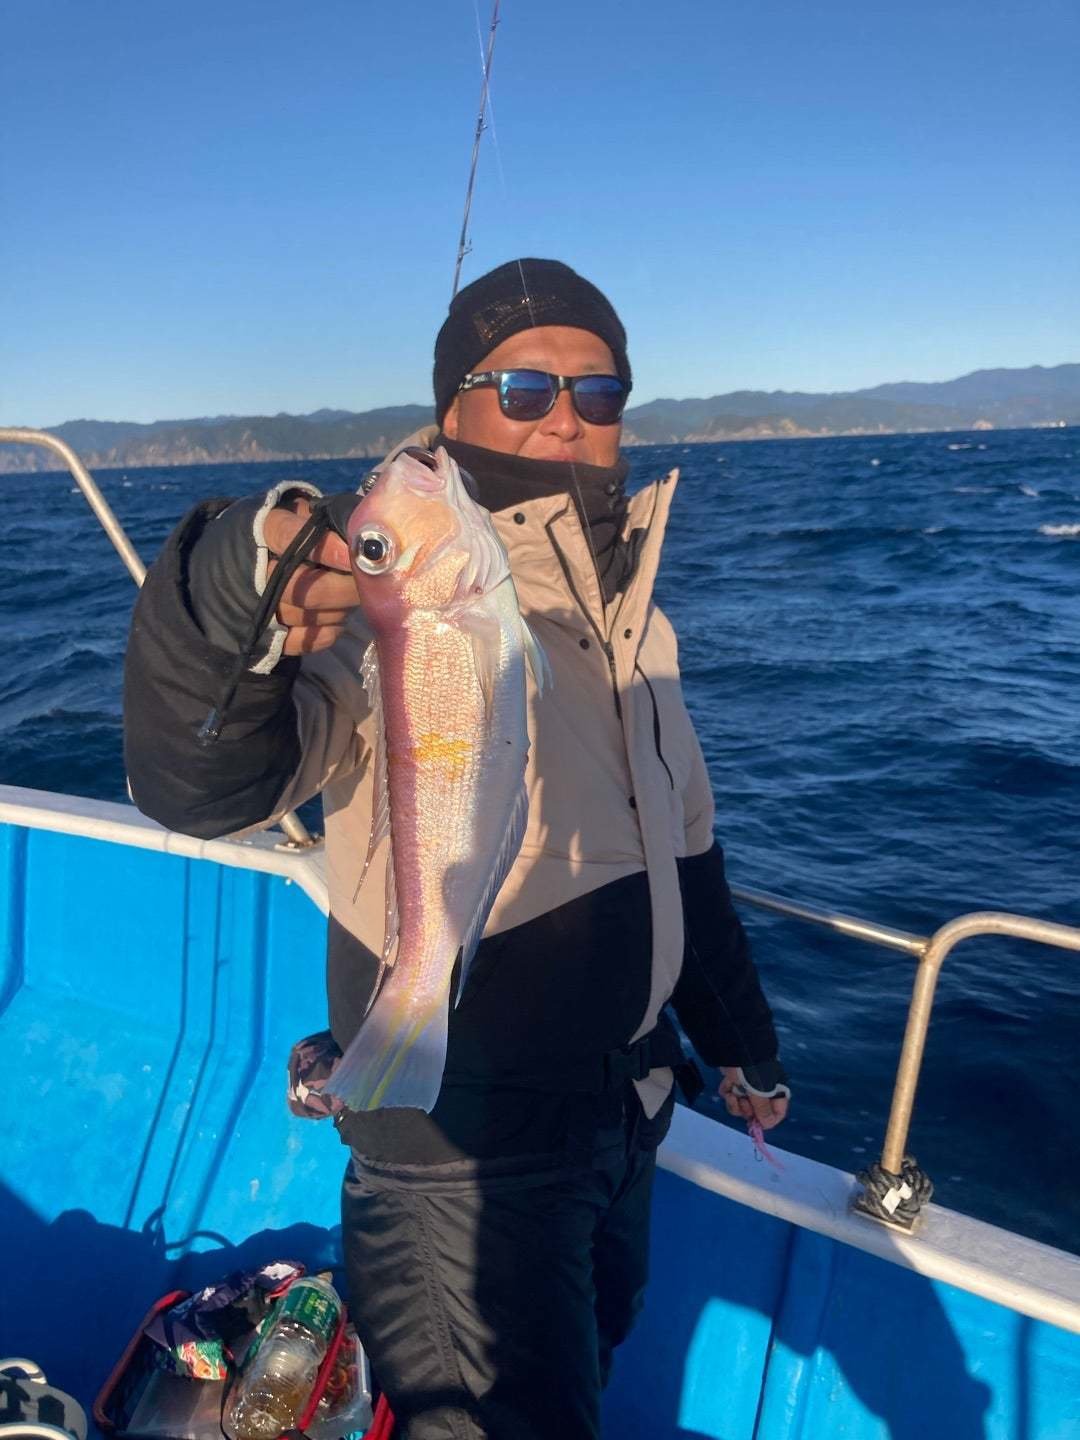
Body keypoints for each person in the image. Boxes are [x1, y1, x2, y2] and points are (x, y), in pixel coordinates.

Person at [124, 258, 790, 1440]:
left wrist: (739, 1045)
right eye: (525, 387)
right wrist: (243, 593)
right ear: (452, 410)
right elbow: (203, 785)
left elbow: (686, 861)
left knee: (586, 1369)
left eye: (598, 390)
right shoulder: (372, 621)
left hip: (623, 1114)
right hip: (457, 1157)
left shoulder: (634, 618)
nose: (567, 417)